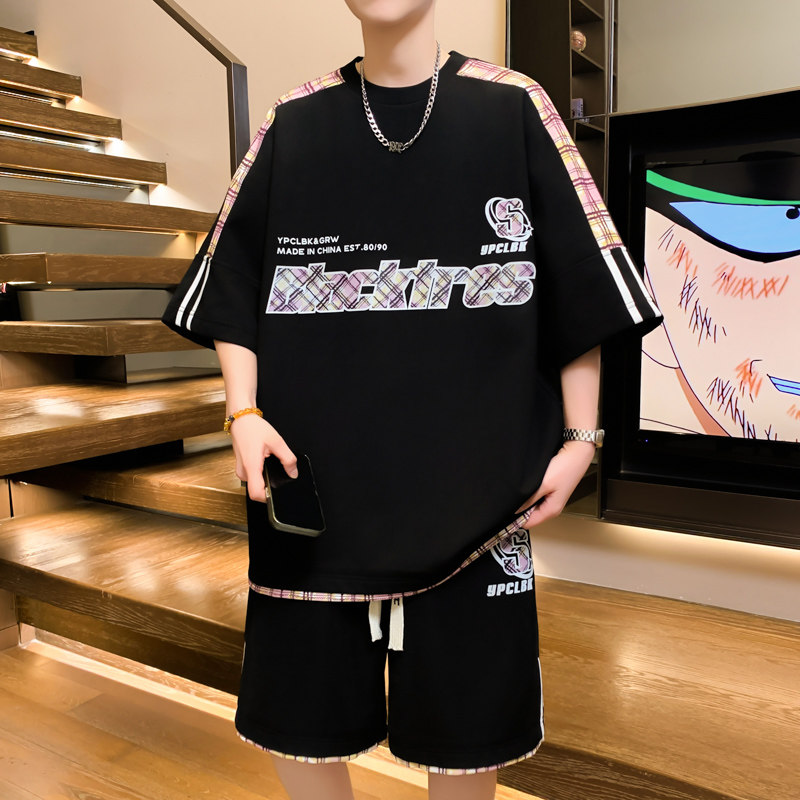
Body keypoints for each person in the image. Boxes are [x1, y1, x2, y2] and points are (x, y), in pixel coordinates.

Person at [162, 2, 661, 797]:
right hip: (312, 496)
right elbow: (230, 284)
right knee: (303, 719)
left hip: (479, 502)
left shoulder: (515, 107)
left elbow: (581, 285)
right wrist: (243, 413)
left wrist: (581, 440)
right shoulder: (293, 120)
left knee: (467, 733)